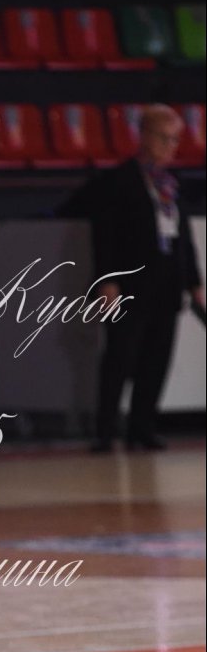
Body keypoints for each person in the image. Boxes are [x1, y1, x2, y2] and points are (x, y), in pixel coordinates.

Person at [59, 104, 204, 452]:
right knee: (120, 358)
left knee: (157, 358)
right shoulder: (119, 181)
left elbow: (183, 238)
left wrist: (194, 282)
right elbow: (105, 235)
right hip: (131, 283)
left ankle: (142, 426)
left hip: (166, 282)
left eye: (175, 140)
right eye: (164, 138)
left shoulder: (171, 185)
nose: (170, 147)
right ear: (145, 136)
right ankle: (106, 430)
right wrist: (107, 280)